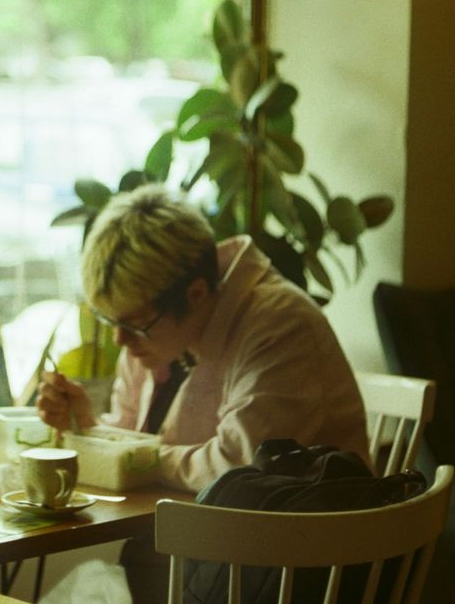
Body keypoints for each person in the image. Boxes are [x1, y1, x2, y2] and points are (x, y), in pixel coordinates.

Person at [36, 184, 368, 493]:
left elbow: (239, 468)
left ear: (195, 295)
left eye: (135, 325)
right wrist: (88, 428)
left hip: (300, 545)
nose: (120, 339)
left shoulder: (280, 327)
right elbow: (134, 436)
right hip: (206, 538)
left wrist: (138, 457)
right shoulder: (154, 332)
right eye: (110, 320)